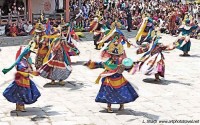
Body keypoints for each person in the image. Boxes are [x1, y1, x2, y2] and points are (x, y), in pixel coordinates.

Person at [84, 30, 138, 113]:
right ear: (111, 55)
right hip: (109, 79)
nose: (115, 57)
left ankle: (121, 104)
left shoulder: (121, 62)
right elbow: (100, 65)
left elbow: (127, 67)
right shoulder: (107, 62)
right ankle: (109, 107)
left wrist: (133, 65)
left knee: (122, 92)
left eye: (117, 56)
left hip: (119, 79)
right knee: (108, 92)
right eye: (113, 55)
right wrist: (90, 64)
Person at [2, 43, 41, 112]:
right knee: (22, 92)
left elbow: (29, 70)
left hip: (25, 79)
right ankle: (20, 106)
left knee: (21, 92)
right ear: (25, 54)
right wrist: (28, 71)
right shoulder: (21, 61)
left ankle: (19, 106)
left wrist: (33, 71)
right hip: (21, 80)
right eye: (28, 53)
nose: (29, 55)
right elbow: (21, 69)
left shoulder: (26, 61)